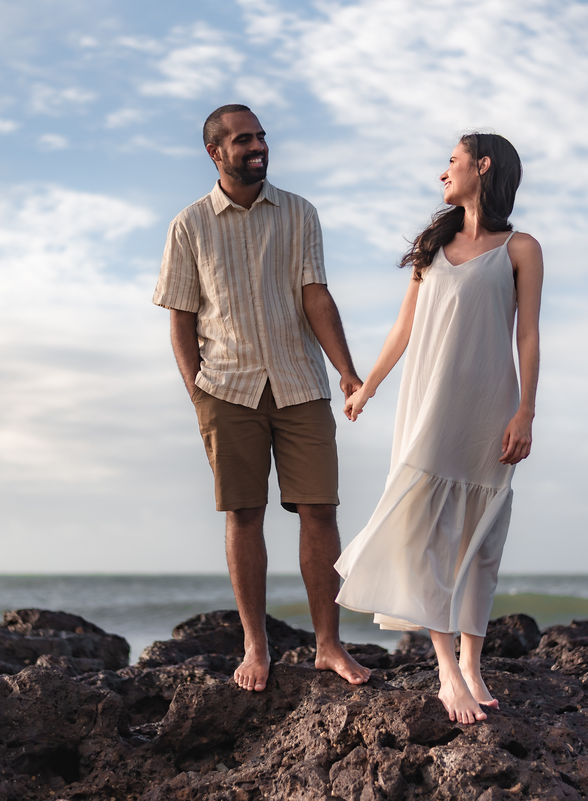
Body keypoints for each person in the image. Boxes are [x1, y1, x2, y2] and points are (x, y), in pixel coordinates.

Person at [153, 104, 372, 693]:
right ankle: (256, 645)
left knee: (319, 510)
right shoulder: (189, 225)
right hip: (226, 387)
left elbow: (315, 297)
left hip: (300, 381)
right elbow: (180, 316)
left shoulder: (300, 213)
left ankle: (328, 645)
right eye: (243, 139)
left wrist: (348, 373)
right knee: (244, 513)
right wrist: (196, 390)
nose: (257, 146)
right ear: (215, 152)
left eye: (261, 137)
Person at [336, 132, 543, 724]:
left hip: (490, 405)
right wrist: (367, 386)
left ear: (482, 167)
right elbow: (403, 328)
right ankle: (446, 671)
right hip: (428, 405)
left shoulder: (521, 248)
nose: (442, 172)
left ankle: (473, 665)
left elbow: (527, 334)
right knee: (425, 534)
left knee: (481, 541)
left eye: (451, 161)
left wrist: (525, 410)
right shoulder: (433, 247)